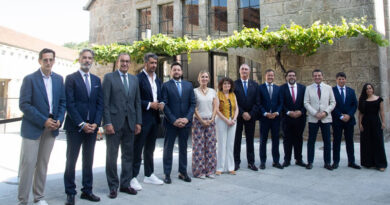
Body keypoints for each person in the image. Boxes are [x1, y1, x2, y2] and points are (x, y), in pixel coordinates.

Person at [18, 48, 66, 205]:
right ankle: (23, 200)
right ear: (40, 61)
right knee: (28, 165)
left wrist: (59, 119)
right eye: (45, 60)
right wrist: (43, 120)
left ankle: (39, 197)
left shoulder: (59, 79)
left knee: (42, 165)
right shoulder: (30, 79)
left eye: (51, 59)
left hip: (52, 128)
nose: (48, 62)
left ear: (54, 61)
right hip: (33, 128)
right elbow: (24, 104)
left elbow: (62, 103)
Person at [63, 49, 103, 205]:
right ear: (79, 59)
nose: (87, 60)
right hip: (75, 127)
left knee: (88, 160)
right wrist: (81, 123)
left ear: (92, 60)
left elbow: (100, 104)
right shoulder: (71, 79)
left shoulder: (96, 80)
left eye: (90, 58)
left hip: (92, 128)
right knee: (71, 161)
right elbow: (70, 104)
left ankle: (87, 190)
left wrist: (96, 123)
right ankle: (70, 192)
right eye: (84, 58)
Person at [103, 53, 142, 198]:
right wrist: (107, 122)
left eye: (127, 61)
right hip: (113, 123)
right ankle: (113, 186)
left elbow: (137, 102)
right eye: (122, 61)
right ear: (118, 62)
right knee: (111, 156)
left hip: (130, 123)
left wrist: (138, 122)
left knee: (128, 155)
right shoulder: (109, 78)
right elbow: (105, 102)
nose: (125, 64)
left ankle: (125, 184)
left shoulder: (134, 80)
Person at [132, 53, 164, 191]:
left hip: (155, 117)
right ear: (145, 63)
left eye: (155, 63)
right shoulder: (138, 79)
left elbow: (160, 96)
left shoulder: (158, 80)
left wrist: (161, 103)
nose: (154, 65)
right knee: (137, 148)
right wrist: (149, 104)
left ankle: (149, 174)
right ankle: (132, 177)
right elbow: (135, 99)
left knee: (150, 148)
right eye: (151, 63)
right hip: (142, 117)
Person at [162, 62, 196, 184]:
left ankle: (183, 172)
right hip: (171, 123)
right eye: (174, 70)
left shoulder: (188, 85)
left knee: (183, 148)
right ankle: (167, 173)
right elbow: (164, 104)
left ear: (181, 72)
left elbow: (192, 103)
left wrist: (187, 118)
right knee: (168, 149)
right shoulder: (165, 86)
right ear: (171, 72)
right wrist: (174, 120)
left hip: (185, 123)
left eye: (178, 70)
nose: (176, 72)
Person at [304, 69, 336, 170]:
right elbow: (306, 103)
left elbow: (333, 102)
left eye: (319, 75)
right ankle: (310, 162)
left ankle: (327, 162)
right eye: (315, 76)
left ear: (322, 76)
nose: (317, 77)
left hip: (325, 118)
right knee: (311, 141)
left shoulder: (328, 88)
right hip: (313, 119)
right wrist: (315, 113)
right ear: (313, 77)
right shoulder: (308, 88)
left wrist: (325, 112)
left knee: (327, 141)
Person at [331, 72, 361, 170]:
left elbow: (354, 105)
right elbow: (331, 105)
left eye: (343, 79)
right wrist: (340, 116)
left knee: (349, 141)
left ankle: (351, 161)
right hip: (337, 120)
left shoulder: (351, 91)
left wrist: (349, 115)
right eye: (339, 79)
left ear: (346, 79)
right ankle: (336, 161)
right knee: (336, 142)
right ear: (336, 80)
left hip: (349, 120)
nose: (341, 80)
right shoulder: (332, 90)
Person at [233, 64, 259, 171]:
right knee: (237, 140)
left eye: (246, 69)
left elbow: (257, 102)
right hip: (238, 116)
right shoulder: (234, 84)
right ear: (239, 71)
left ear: (249, 72)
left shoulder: (255, 84)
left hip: (251, 117)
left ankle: (251, 162)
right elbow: (233, 101)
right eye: (242, 69)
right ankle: (236, 162)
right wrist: (243, 113)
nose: (244, 71)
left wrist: (250, 113)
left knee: (250, 140)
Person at [192, 71, 217, 179]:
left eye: (206, 77)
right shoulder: (194, 91)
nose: (204, 78)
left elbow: (215, 106)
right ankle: (199, 172)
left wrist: (212, 118)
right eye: (202, 76)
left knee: (211, 147)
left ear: (209, 79)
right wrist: (201, 120)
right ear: (199, 78)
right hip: (198, 121)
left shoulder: (213, 91)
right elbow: (194, 108)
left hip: (210, 121)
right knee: (198, 147)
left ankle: (210, 171)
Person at [280, 70, 307, 168]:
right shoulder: (282, 88)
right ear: (286, 77)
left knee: (299, 139)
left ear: (296, 77)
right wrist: (288, 112)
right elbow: (281, 103)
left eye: (293, 75)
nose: (292, 77)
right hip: (287, 119)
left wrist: (301, 111)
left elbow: (306, 102)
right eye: (290, 75)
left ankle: (298, 159)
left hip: (300, 118)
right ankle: (287, 160)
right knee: (287, 139)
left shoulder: (303, 88)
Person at [358, 83, 387, 171]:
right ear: (365, 90)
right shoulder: (363, 100)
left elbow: (382, 112)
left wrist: (383, 122)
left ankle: (381, 164)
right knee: (367, 142)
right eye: (367, 89)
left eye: (370, 88)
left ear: (373, 89)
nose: (369, 90)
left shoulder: (379, 99)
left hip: (376, 122)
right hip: (365, 123)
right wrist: (360, 124)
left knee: (378, 142)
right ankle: (369, 163)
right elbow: (360, 114)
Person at [258, 69, 283, 169]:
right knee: (263, 140)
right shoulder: (260, 88)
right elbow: (258, 102)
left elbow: (281, 103)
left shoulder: (278, 88)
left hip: (276, 119)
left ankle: (276, 161)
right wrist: (265, 113)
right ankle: (262, 161)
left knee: (276, 140)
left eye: (272, 76)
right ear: (265, 76)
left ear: (274, 77)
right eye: (268, 75)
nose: (270, 77)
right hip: (264, 119)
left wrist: (276, 112)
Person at [215, 77, 239, 175]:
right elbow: (216, 110)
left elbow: (237, 108)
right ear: (221, 85)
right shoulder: (217, 94)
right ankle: (220, 168)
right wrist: (226, 120)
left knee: (230, 144)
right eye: (225, 84)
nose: (227, 85)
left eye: (228, 84)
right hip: (221, 121)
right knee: (221, 144)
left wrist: (234, 119)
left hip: (232, 121)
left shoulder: (233, 94)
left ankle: (230, 167)